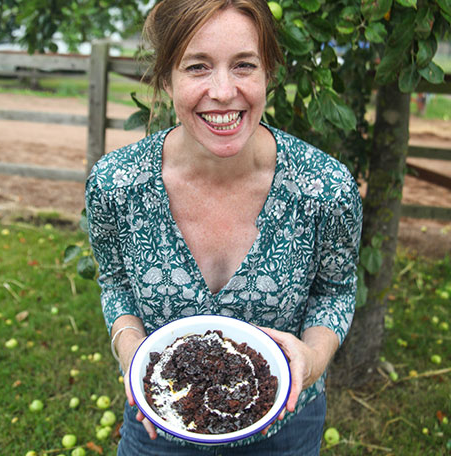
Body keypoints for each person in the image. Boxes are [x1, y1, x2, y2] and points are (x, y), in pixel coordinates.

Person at [85, 0, 363, 454]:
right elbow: (115, 282)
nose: (223, 91)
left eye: (243, 65)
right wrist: (131, 351)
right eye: (197, 66)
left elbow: (334, 293)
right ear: (165, 78)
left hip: (285, 428)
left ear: (267, 73)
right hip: (157, 421)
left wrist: (311, 360)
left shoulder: (324, 188)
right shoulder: (116, 185)